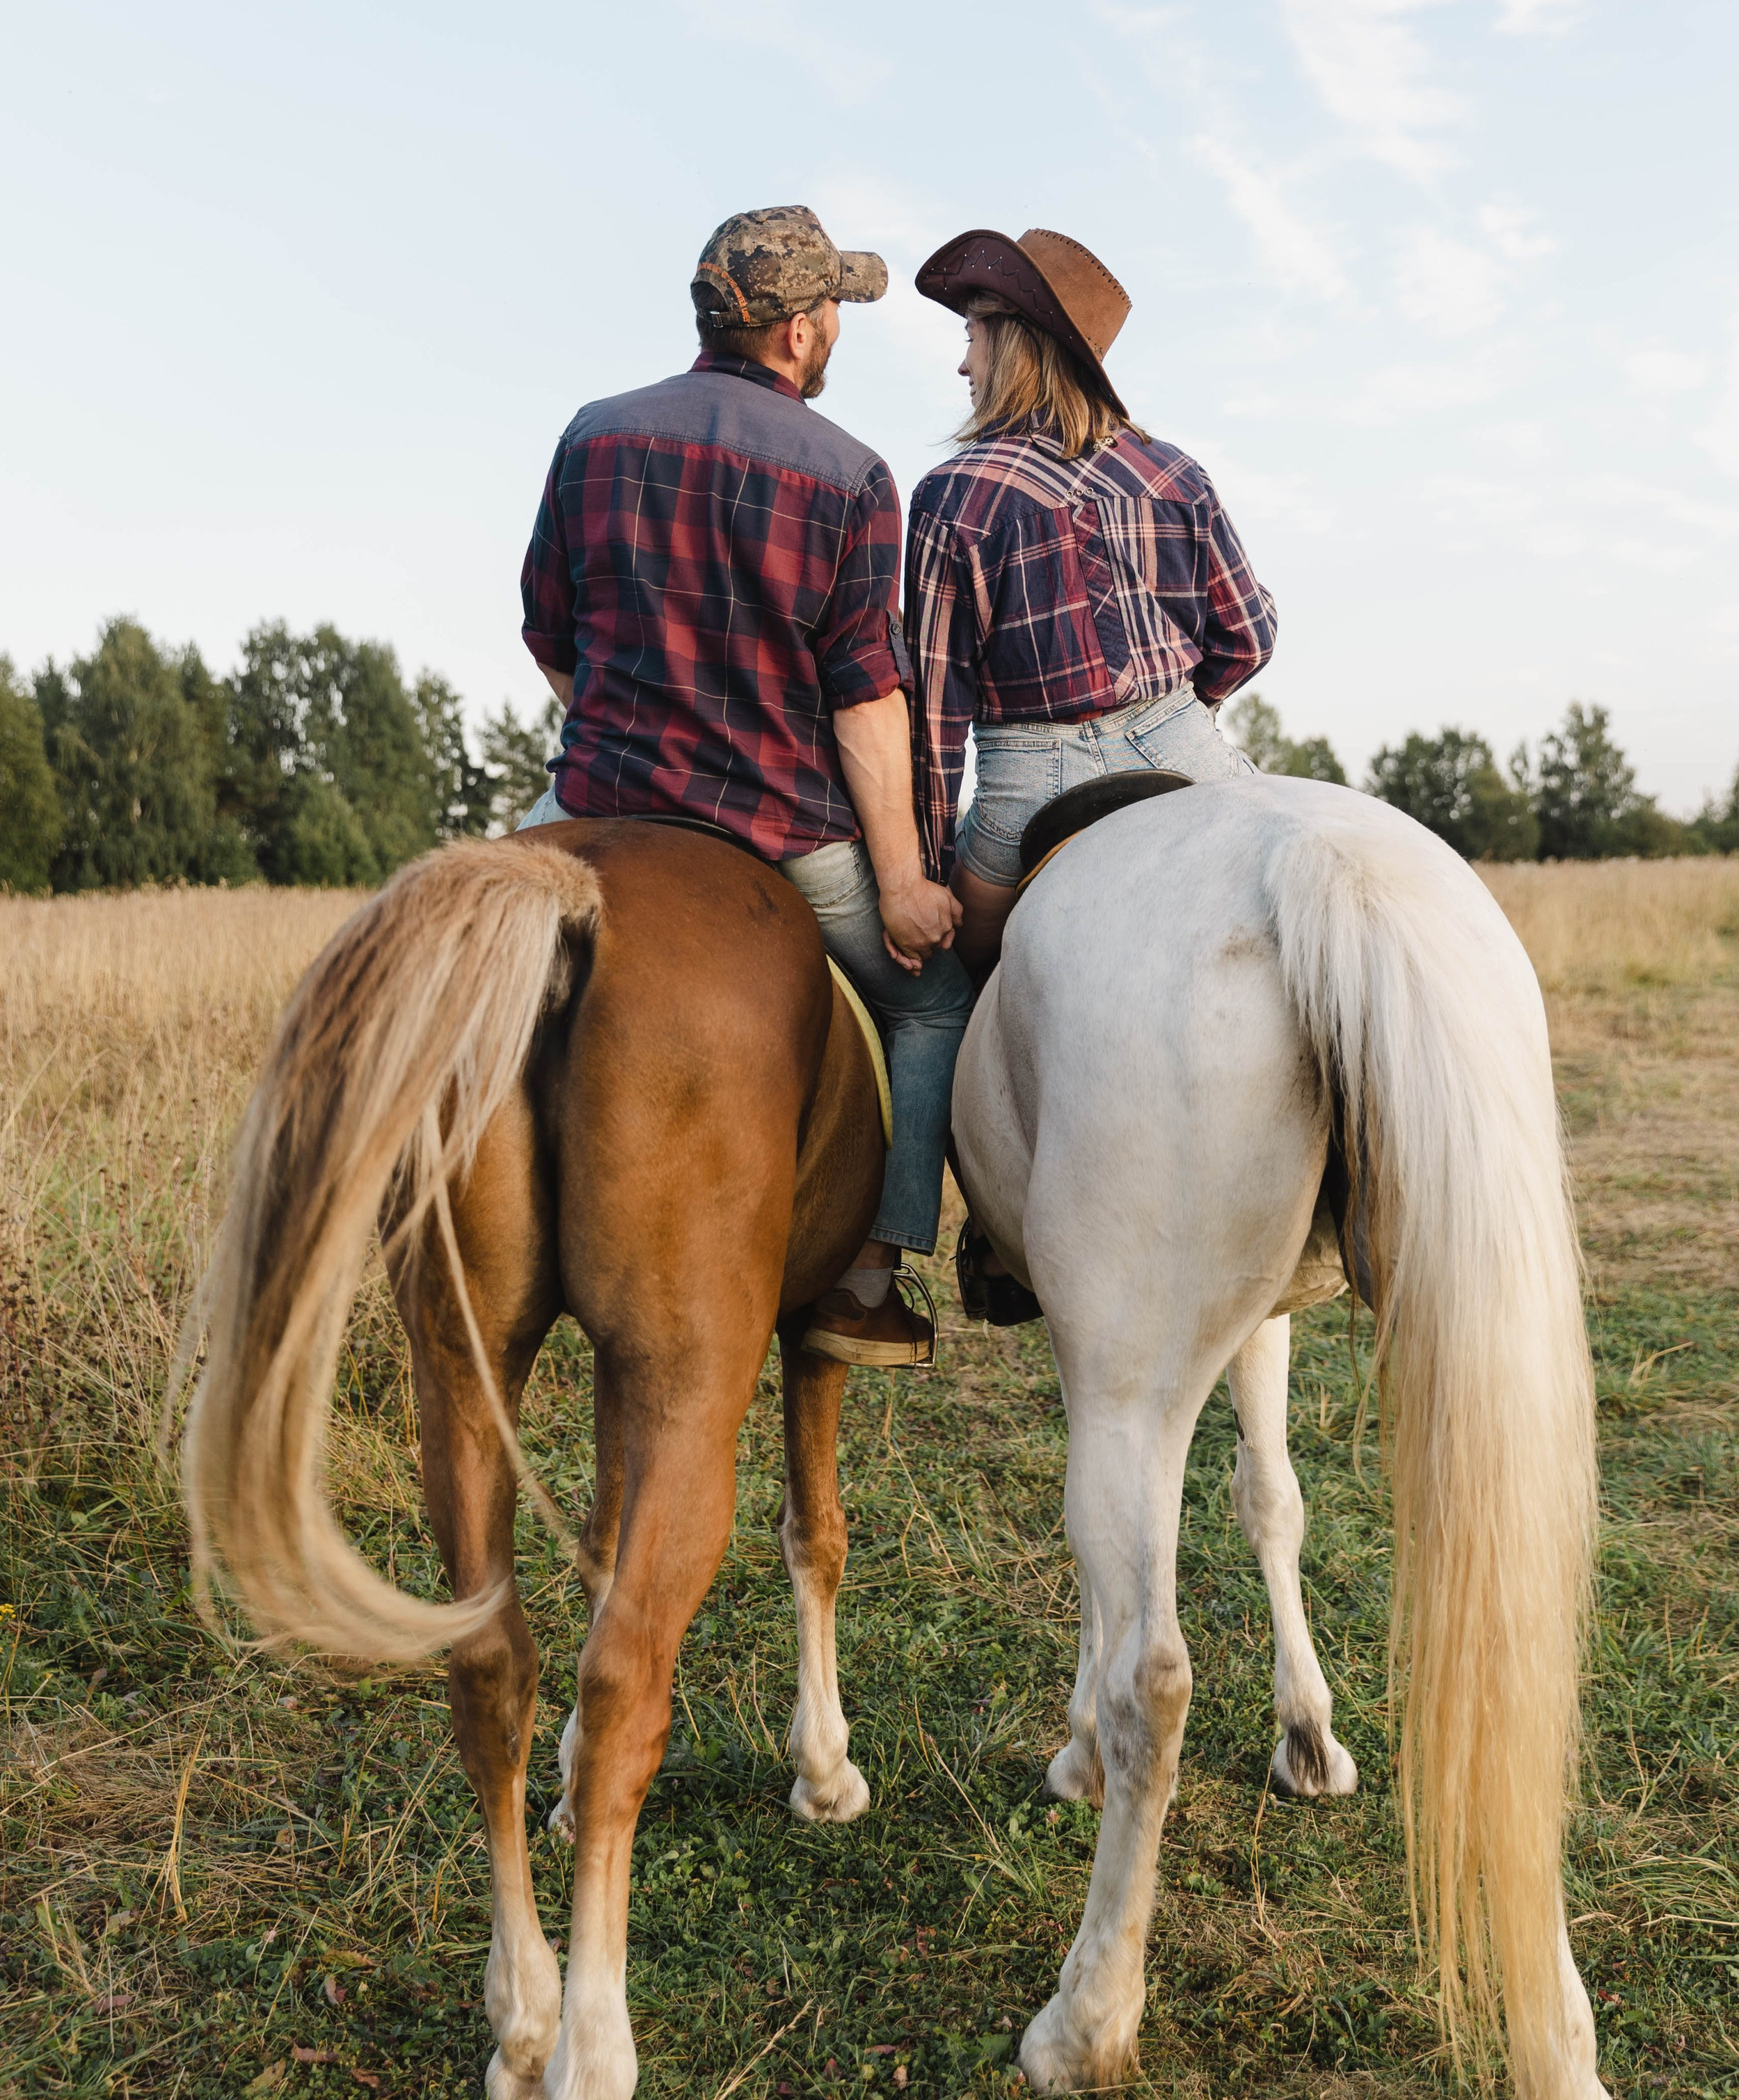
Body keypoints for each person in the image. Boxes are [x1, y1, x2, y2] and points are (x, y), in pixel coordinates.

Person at [518, 205, 973, 1365]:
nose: (836, 330)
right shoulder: (854, 475)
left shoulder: (594, 434)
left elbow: (548, 633)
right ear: (796, 332)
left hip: (590, 803)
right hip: (777, 830)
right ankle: (867, 1276)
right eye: (833, 311)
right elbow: (868, 702)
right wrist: (909, 883)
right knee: (928, 1002)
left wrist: (628, 728)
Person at [903, 225, 1277, 1313]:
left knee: (941, 982)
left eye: (973, 332)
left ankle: (974, 1230)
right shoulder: (1173, 469)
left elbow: (935, 717)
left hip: (1029, 779)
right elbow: (1248, 633)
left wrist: (924, 867)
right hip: (1183, 746)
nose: (961, 358)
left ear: (1015, 343)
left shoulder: (954, 495)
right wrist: (1168, 715)